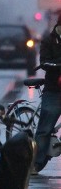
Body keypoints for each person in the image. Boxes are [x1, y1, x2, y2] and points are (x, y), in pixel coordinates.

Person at [33, 14, 61, 173]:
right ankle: (35, 164)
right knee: (44, 129)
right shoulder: (49, 40)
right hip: (54, 90)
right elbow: (44, 62)